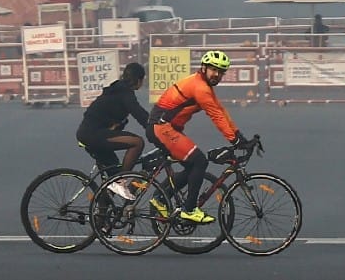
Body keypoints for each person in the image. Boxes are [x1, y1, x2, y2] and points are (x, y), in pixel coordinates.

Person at [147, 50, 244, 224]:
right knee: (199, 161)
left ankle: (160, 198)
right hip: (162, 127)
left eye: (221, 72)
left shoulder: (204, 86)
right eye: (214, 70)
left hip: (167, 127)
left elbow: (221, 111)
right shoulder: (200, 87)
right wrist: (235, 140)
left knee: (192, 166)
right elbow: (216, 115)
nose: (217, 75)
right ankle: (190, 209)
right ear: (204, 68)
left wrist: (239, 136)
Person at [76, 62, 149, 201]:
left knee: (113, 176)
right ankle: (120, 181)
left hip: (90, 133)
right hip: (93, 135)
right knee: (137, 143)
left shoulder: (116, 89)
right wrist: (156, 128)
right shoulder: (125, 92)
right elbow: (140, 114)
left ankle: (101, 215)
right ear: (139, 80)